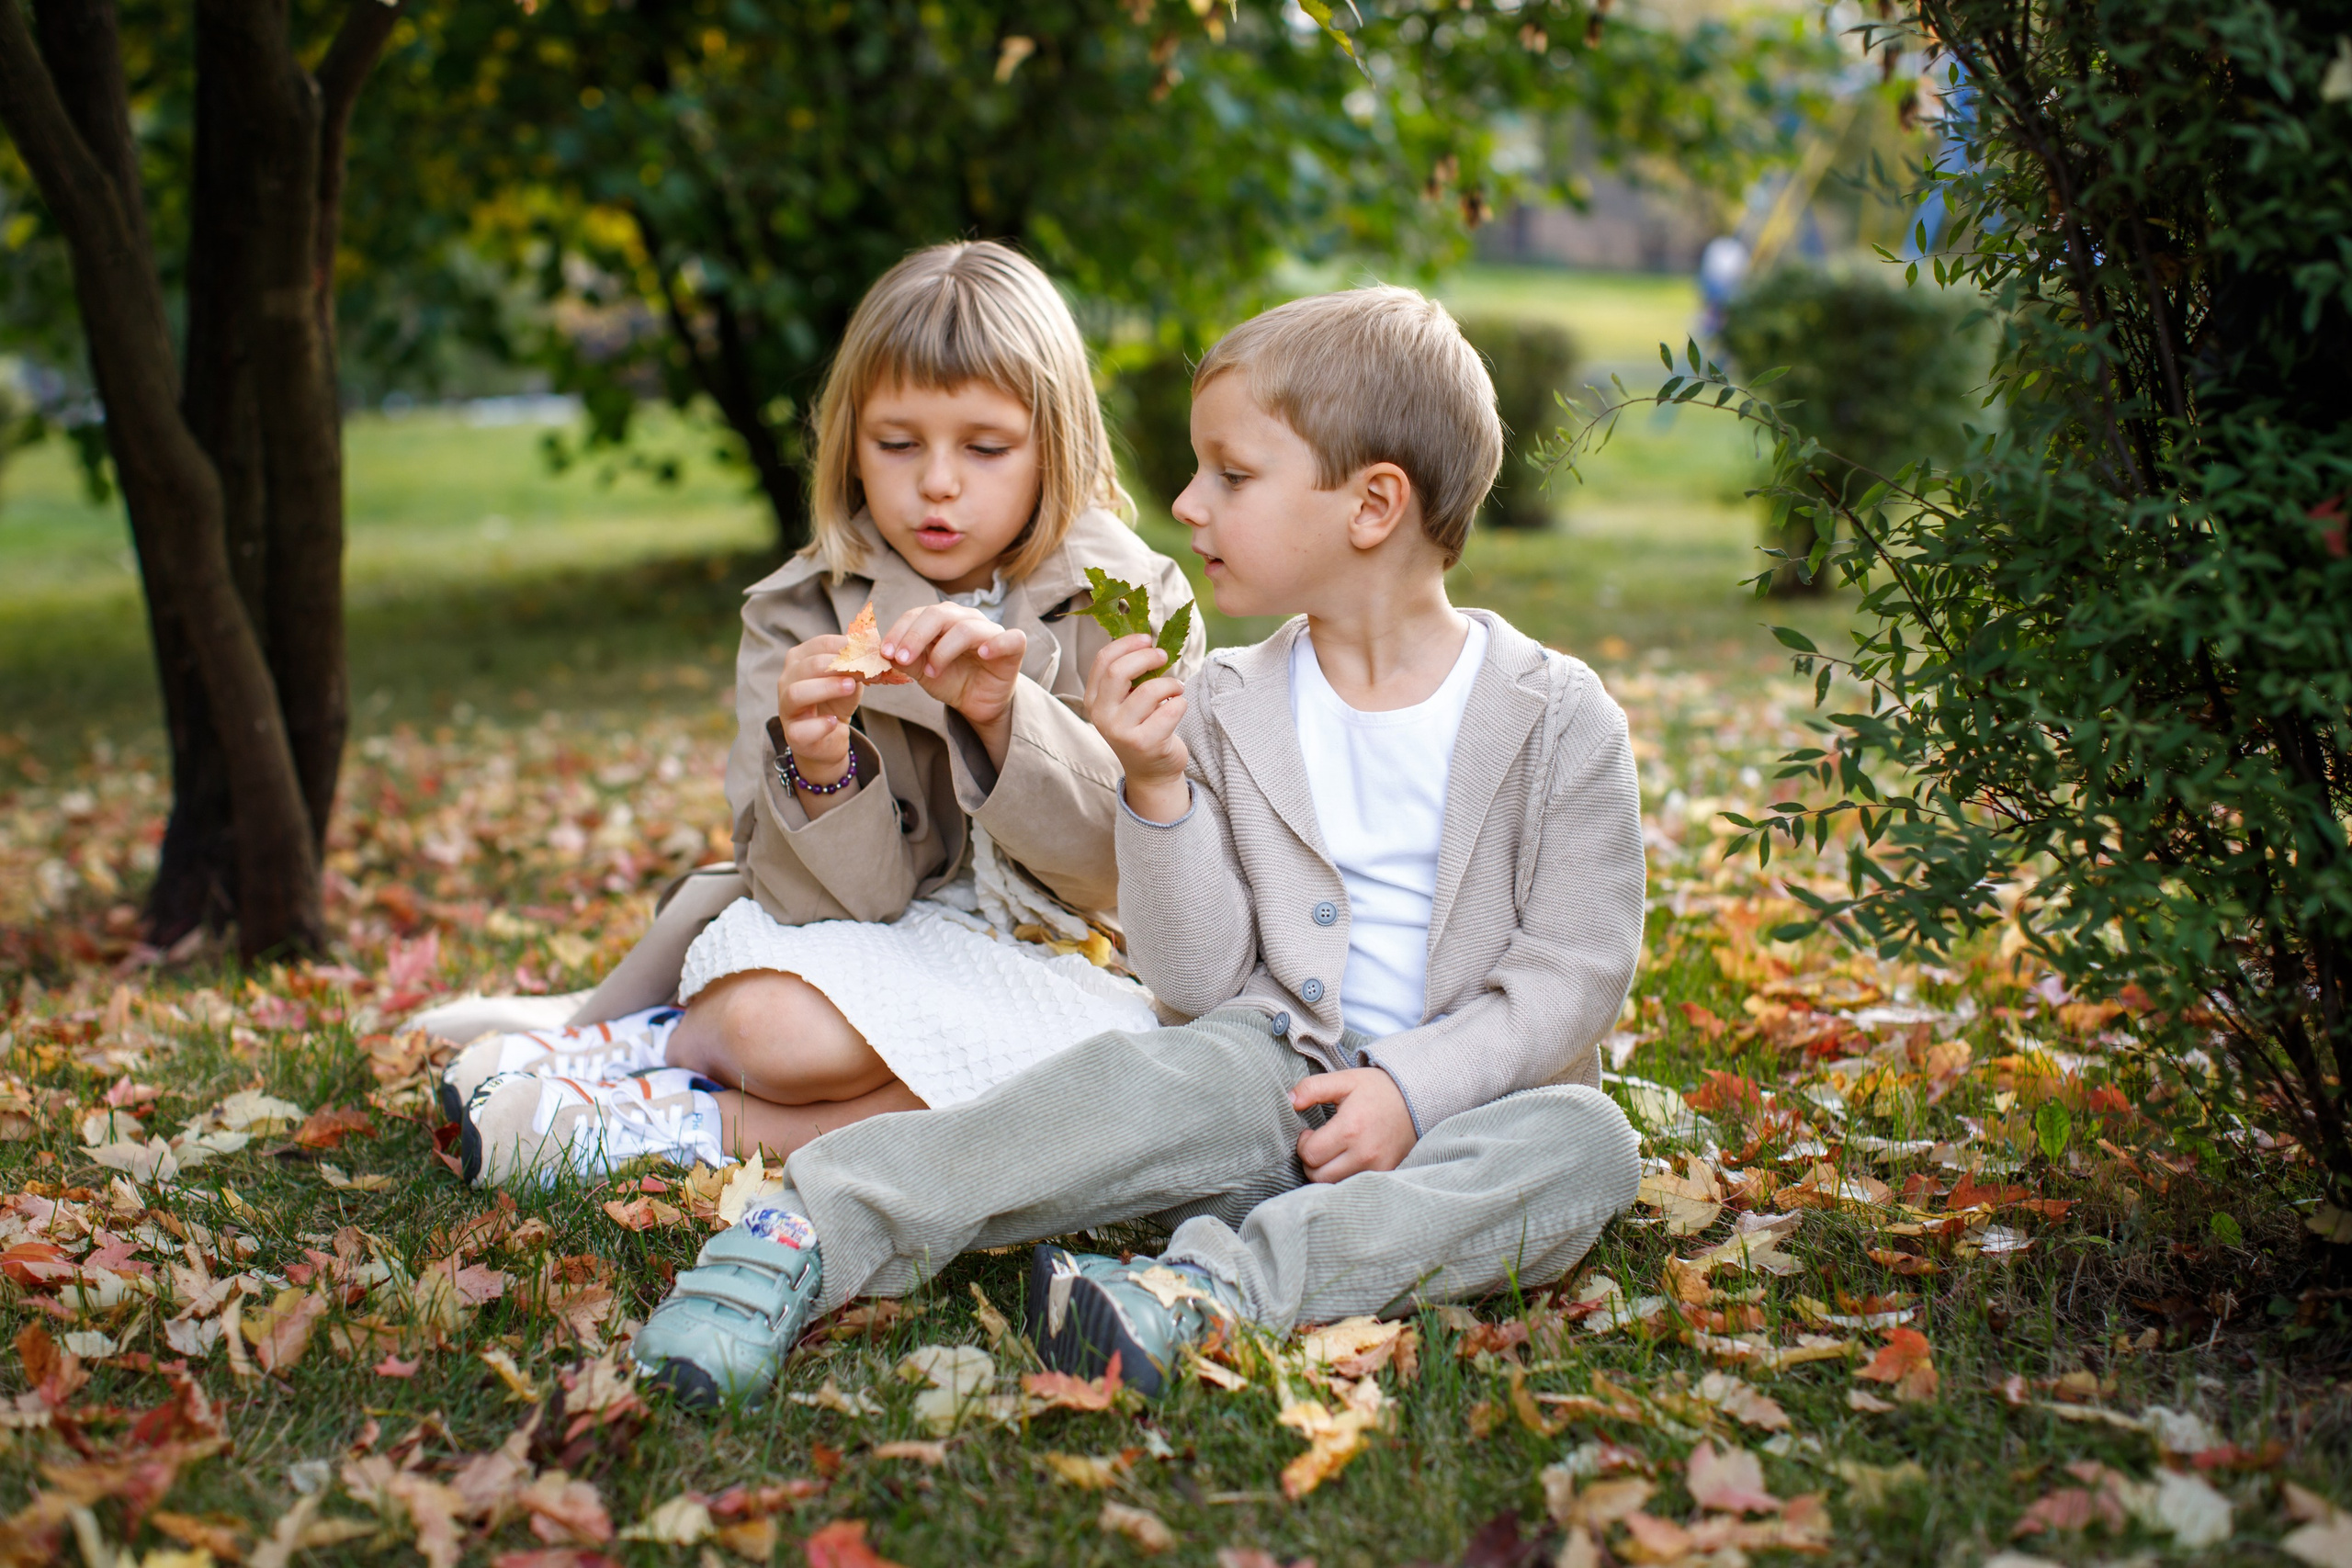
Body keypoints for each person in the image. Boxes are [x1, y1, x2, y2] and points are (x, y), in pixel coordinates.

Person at [628, 284, 1647, 1405]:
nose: (1186, 502)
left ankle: (1204, 1293)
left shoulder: (1556, 716)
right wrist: (1156, 787)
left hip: (1477, 1110)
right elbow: (1195, 977)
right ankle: (809, 1228)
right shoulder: (1221, 702)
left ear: (1372, 505)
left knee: (1589, 1146)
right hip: (1270, 1078)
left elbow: (1573, 975)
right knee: (1127, 1084)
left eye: (1231, 476)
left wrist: (1409, 1089)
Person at [440, 241, 1202, 1186]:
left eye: (985, 447)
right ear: (849, 443)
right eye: (897, 443)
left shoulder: (1131, 603)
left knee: (1089, 1069)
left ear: (1057, 442)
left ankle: (689, 1123)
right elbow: (820, 901)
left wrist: (1004, 722)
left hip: (1067, 960)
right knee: (775, 1035)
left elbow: (1126, 879)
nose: (937, 482)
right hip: (859, 941)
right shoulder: (803, 609)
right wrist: (821, 766)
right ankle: (664, 1043)